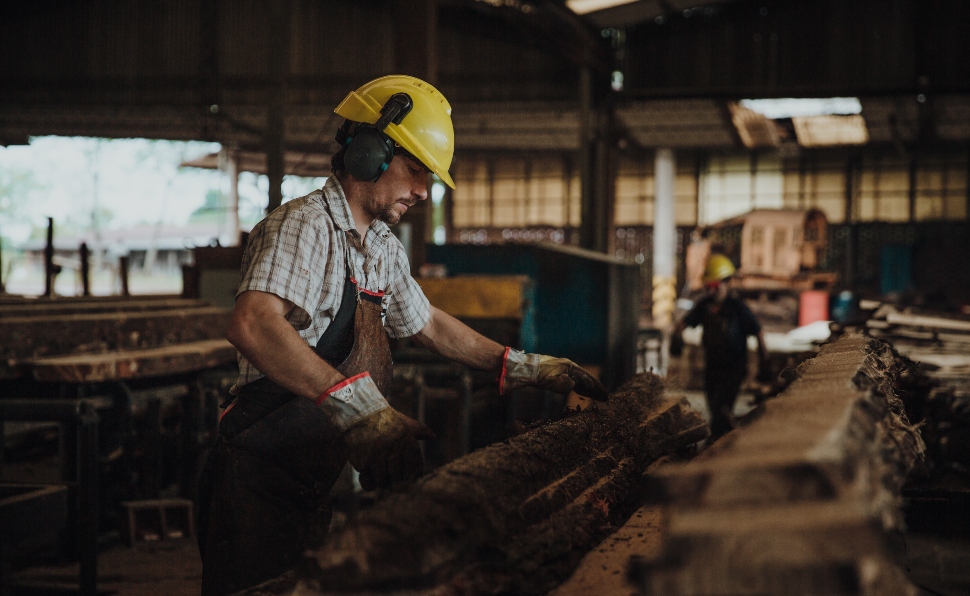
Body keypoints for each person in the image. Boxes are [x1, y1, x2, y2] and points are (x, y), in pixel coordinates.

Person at [197, 75, 608, 596]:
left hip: (308, 482)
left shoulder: (383, 248)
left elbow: (428, 322)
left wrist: (523, 365)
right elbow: (254, 323)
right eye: (416, 170)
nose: (423, 191)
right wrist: (358, 408)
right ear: (370, 153)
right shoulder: (304, 226)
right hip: (253, 481)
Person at [669, 254, 766, 440]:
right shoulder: (704, 306)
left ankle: (722, 440)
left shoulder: (738, 308)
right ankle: (724, 440)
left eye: (715, 285)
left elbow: (758, 333)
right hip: (712, 367)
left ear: (727, 282)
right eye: (709, 286)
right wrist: (676, 336)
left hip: (734, 368)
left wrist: (764, 362)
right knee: (715, 407)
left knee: (723, 407)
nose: (712, 291)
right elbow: (684, 323)